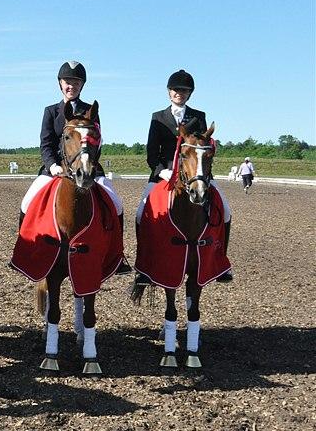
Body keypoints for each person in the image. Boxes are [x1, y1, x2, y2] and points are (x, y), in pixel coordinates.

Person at [19, 60, 131, 271]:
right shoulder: (51, 111)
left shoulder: (91, 110)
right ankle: (25, 252)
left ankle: (117, 255)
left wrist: (90, 163)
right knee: (27, 202)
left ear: (82, 85)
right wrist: (52, 165)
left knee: (116, 204)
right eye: (67, 81)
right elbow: (46, 143)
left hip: (89, 168)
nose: (71, 86)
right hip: (56, 169)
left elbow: (96, 141)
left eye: (76, 82)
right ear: (60, 83)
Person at [135, 68, 232, 282]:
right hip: (166, 172)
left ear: (190, 93)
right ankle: (143, 265)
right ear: (169, 92)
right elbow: (152, 153)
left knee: (225, 209)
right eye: (176, 90)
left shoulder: (198, 117)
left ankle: (221, 261)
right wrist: (164, 171)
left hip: (195, 172)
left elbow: (203, 147)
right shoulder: (158, 117)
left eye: (184, 90)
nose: (179, 93)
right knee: (141, 213)